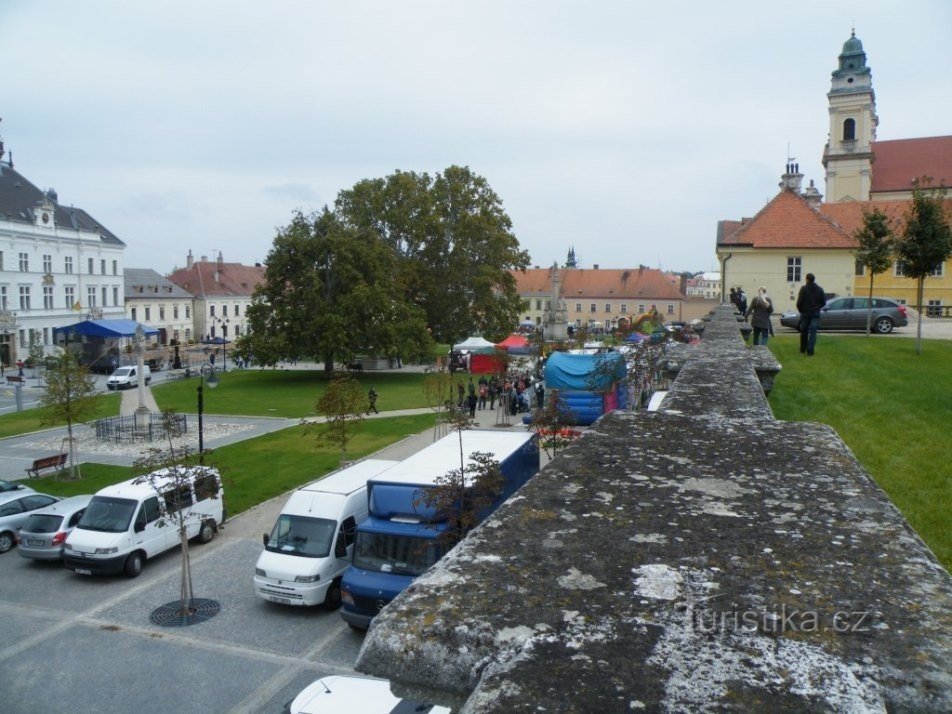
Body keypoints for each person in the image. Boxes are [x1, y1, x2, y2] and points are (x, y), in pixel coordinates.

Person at [796, 273, 826, 356]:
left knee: (804, 331)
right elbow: (823, 302)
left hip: (805, 313)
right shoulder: (820, 289)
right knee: (813, 332)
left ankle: (803, 349)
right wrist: (817, 308)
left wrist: (801, 310)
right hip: (815, 314)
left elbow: (799, 302)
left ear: (807, 280)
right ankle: (810, 350)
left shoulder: (803, 289)